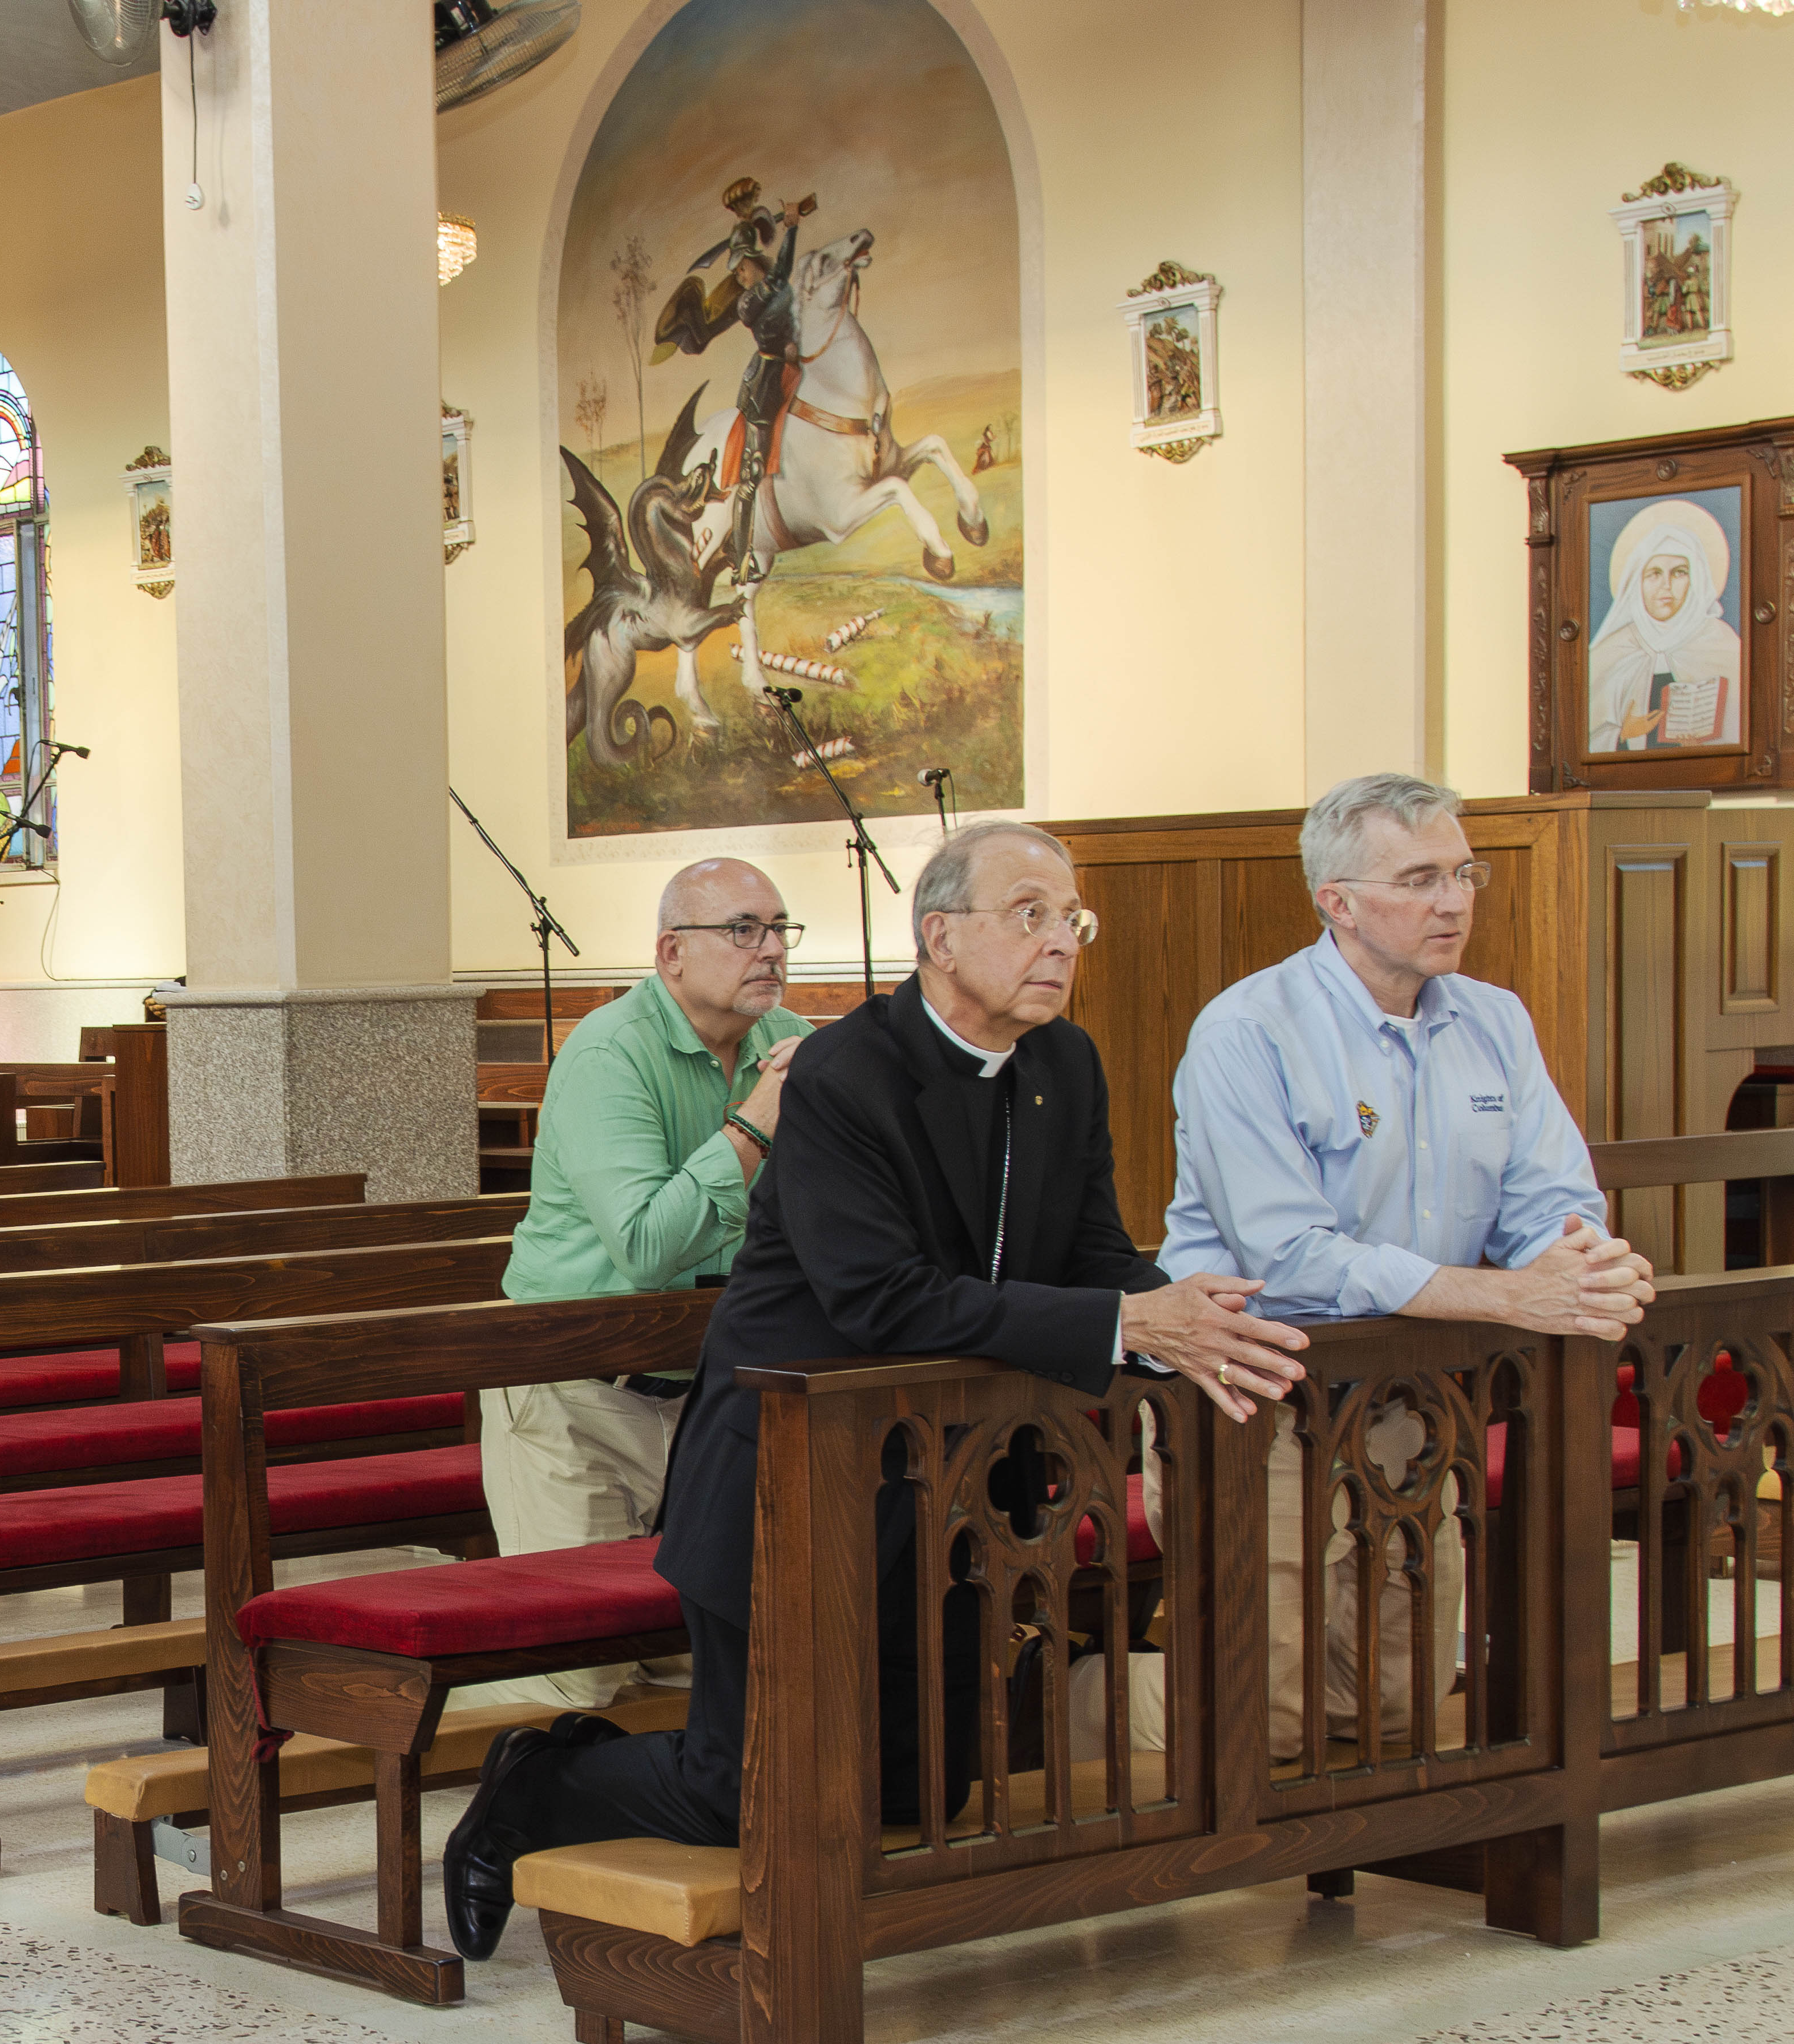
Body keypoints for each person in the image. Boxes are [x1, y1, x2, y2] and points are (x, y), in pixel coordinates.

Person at [439, 824, 1312, 1960]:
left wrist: (1189, 1326)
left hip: (948, 1487)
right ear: (939, 936)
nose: (1063, 943)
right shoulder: (847, 1072)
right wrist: (1122, 1324)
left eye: (1074, 921)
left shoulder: (1065, 1065)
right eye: (1031, 914)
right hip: (789, 1470)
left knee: (920, 1786)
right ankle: (542, 1776)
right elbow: (881, 1299)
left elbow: (1093, 1249)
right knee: (741, 1787)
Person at [1130, 773, 1648, 1759]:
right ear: (1339, 901)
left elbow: (1551, 1194)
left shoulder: (1491, 1018)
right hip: (1263, 1389)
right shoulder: (1248, 1030)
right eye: (1419, 878)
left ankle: (1364, 1881)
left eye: (1462, 873)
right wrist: (1508, 1293)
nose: (1453, 900)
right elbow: (1286, 1252)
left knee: (1396, 1698)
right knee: (1271, 1707)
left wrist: (1582, 1264)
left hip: (1417, 1393)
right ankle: (1072, 1701)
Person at [462, 858, 810, 1714]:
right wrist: (755, 1126)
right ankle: (493, 1805)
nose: (769, 950)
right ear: (671, 953)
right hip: (575, 1390)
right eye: (742, 930)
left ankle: (662, 1820)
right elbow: (649, 1247)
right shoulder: (610, 1053)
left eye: (778, 929)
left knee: (715, 1648)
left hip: (711, 1396)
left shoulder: (786, 1039)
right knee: (577, 1672)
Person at [1586, 499, 1744, 752]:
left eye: (1679, 572)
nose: (1666, 586)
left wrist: (1705, 745)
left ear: (1696, 580)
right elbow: (1584, 744)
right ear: (1637, 582)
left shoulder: (1723, 646)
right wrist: (1624, 735)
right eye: (1655, 574)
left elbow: (1742, 735)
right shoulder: (1610, 652)